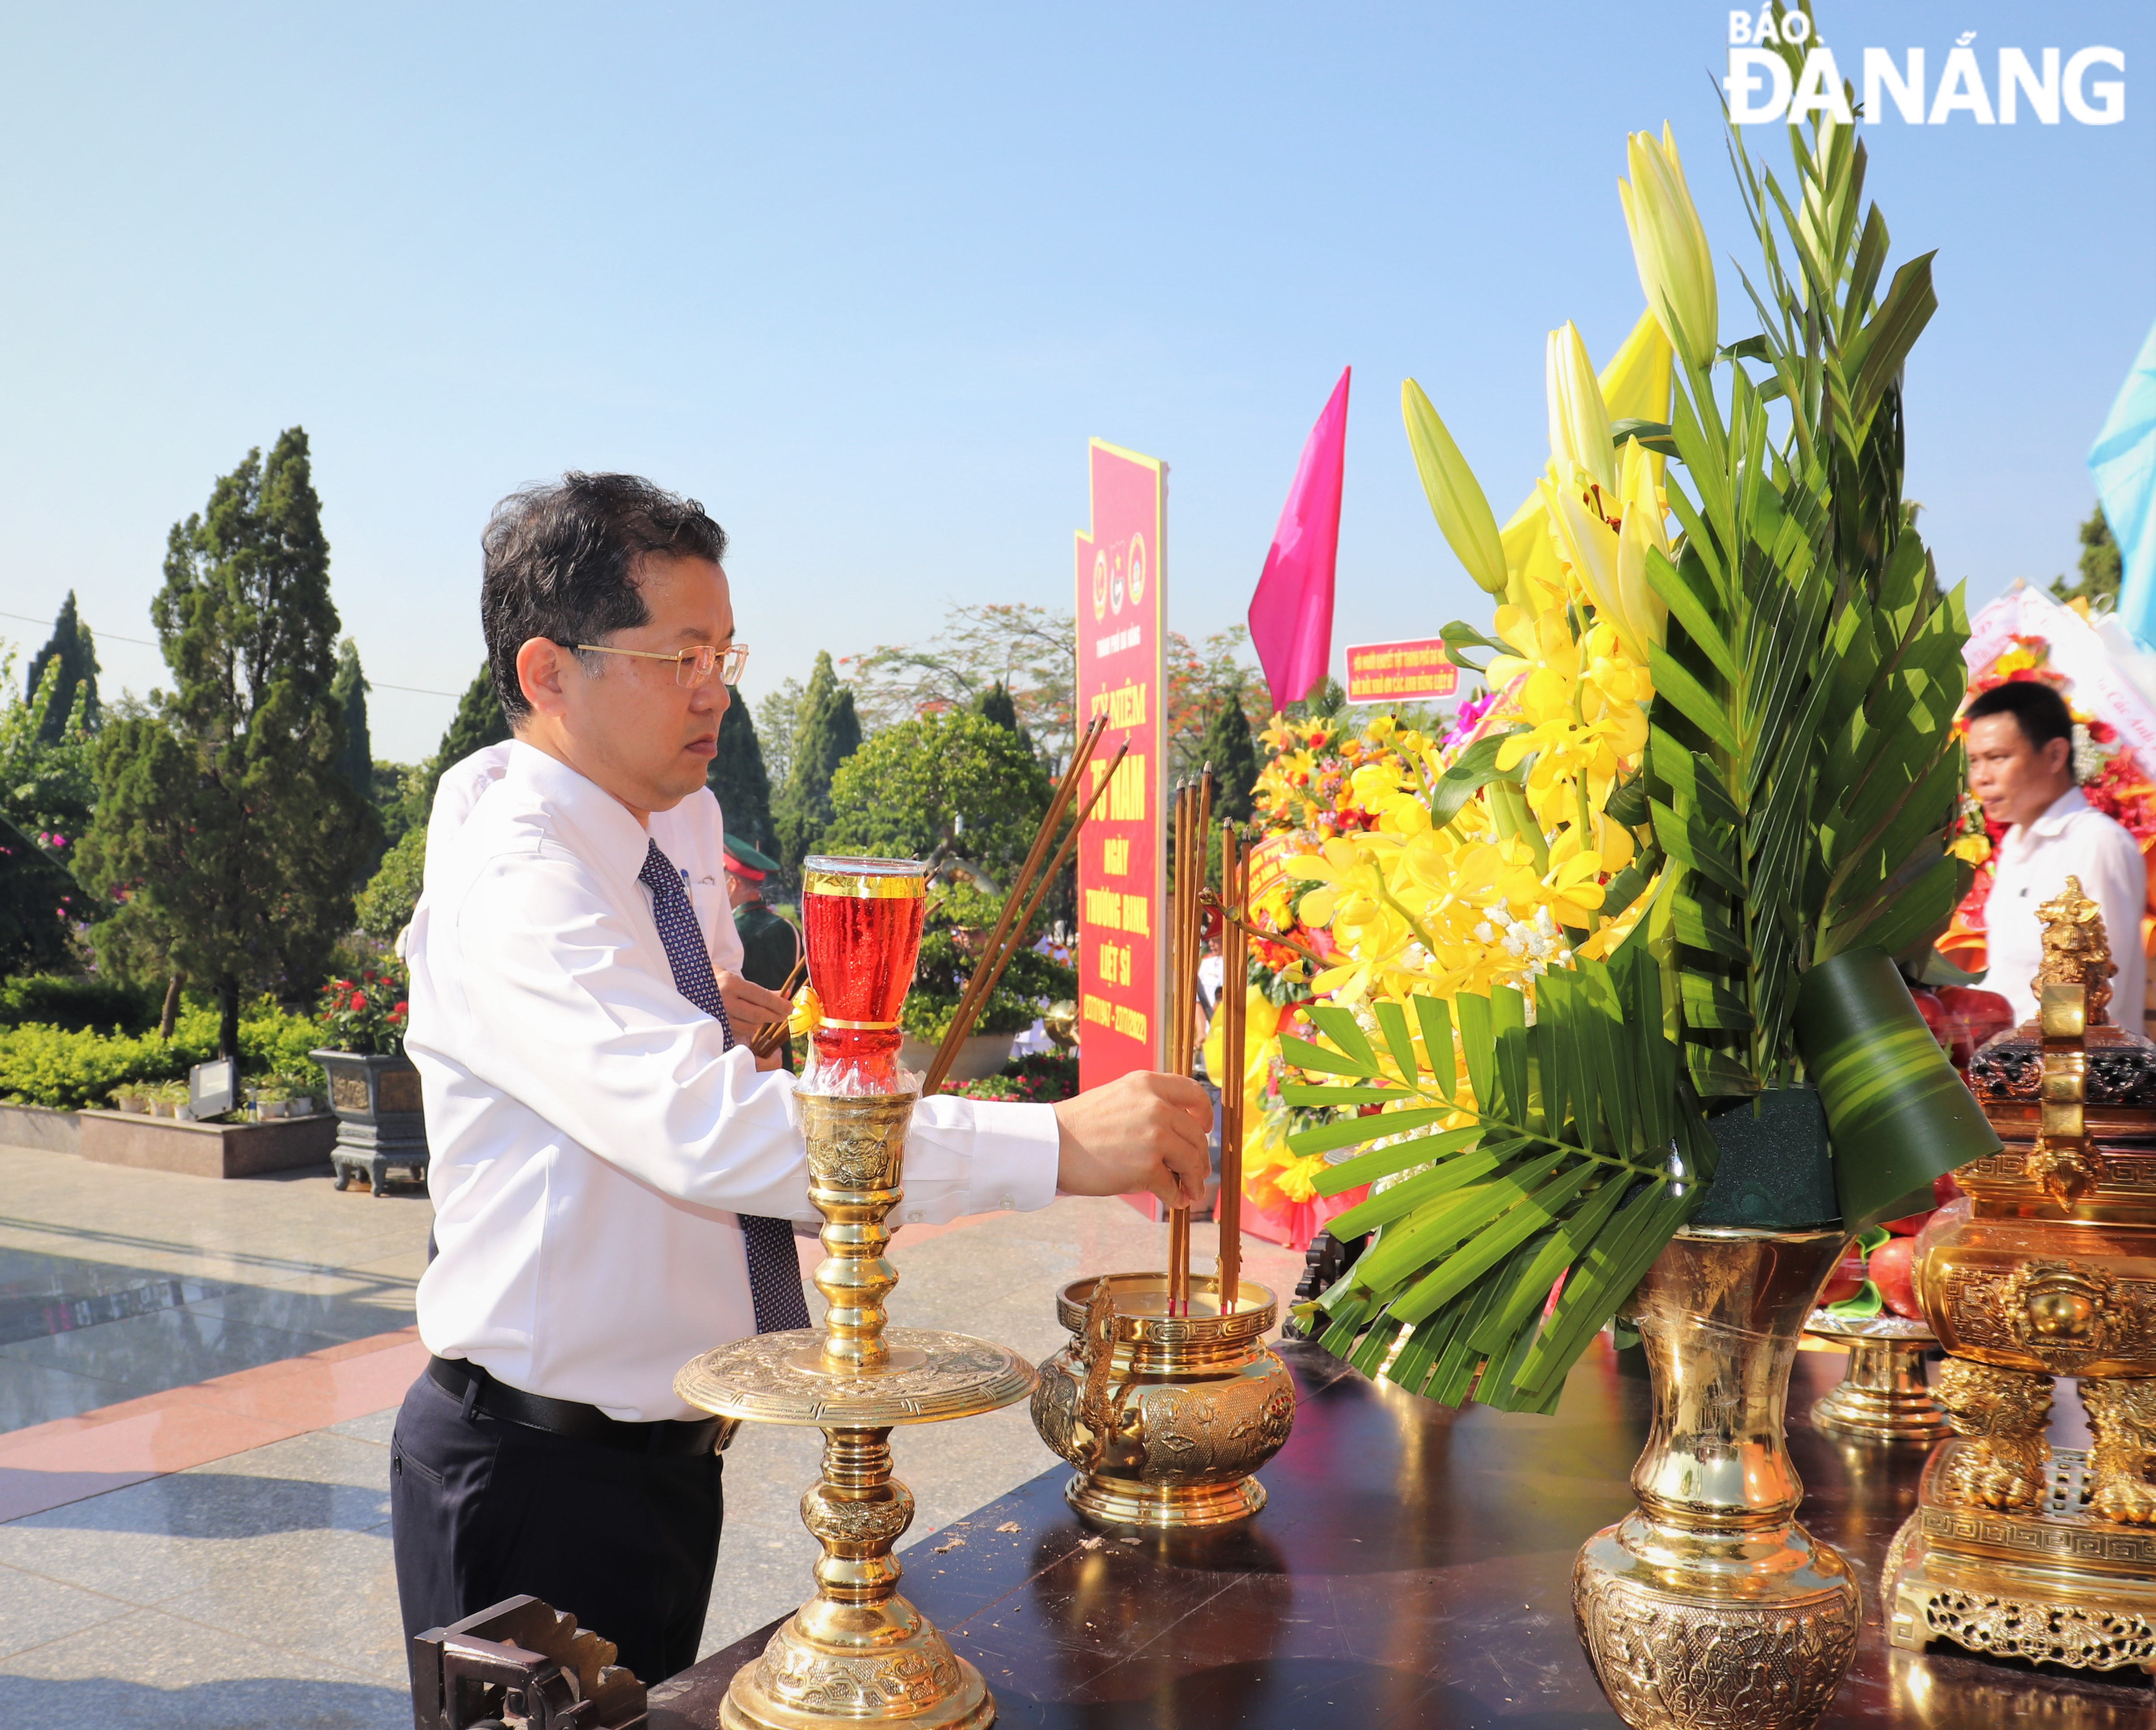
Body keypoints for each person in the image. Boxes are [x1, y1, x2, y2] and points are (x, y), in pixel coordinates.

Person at [389, 473, 1210, 1687]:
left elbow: (702, 1056)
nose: (716, 688)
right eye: (678, 655)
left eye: (723, 649)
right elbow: (708, 1133)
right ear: (546, 673)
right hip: (534, 1474)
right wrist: (1056, 1146)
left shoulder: (680, 823)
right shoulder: (515, 881)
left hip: (674, 1453)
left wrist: (726, 1021)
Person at [1965, 679, 2146, 1031]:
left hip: (2071, 1076)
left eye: (1998, 758)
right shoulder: (2018, 843)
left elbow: (2095, 994)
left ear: (2055, 755)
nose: (1982, 778)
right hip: (2009, 1070)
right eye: (1974, 761)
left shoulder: (2096, 844)